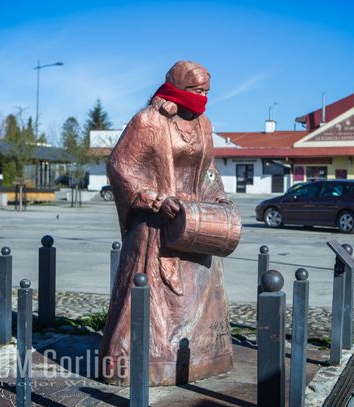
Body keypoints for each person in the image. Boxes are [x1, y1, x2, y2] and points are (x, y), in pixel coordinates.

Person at [100, 61, 235, 386]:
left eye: (206, 92)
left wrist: (220, 199)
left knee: (197, 296)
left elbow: (208, 170)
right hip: (156, 227)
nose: (202, 98)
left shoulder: (204, 125)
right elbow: (121, 168)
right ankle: (142, 366)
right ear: (177, 88)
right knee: (151, 299)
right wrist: (157, 200)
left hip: (198, 222)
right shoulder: (148, 121)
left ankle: (201, 360)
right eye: (196, 91)